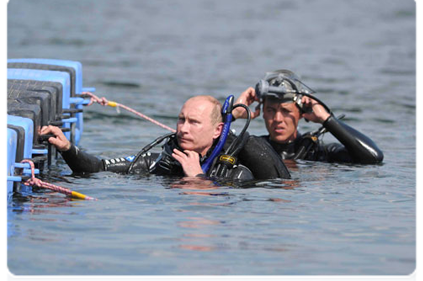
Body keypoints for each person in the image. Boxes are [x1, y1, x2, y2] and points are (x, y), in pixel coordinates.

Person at [41, 95, 291, 180]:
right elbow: (97, 168)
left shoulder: (236, 174)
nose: (183, 128)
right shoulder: (160, 161)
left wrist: (197, 178)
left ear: (217, 130)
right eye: (181, 119)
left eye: (194, 122)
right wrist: (67, 148)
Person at [234, 69, 384, 164]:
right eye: (271, 110)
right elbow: (211, 144)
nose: (278, 119)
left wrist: (326, 119)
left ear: (300, 113)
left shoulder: (318, 153)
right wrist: (234, 114)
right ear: (262, 112)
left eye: (286, 111)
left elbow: (373, 157)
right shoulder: (253, 147)